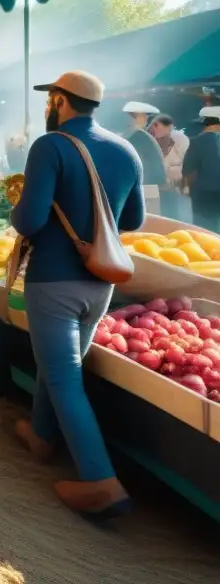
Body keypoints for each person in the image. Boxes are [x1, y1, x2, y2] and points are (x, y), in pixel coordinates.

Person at [11, 71, 144, 519]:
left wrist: (19, 203)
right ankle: (41, 436)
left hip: (53, 281)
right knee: (60, 367)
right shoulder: (126, 150)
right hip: (100, 283)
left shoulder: (50, 147)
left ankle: (101, 482)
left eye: (51, 98)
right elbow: (135, 220)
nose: (48, 105)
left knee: (64, 377)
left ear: (61, 101)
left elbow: (28, 222)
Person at [182, 106, 220, 232]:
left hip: (203, 194)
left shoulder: (197, 141)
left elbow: (187, 169)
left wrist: (188, 188)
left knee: (205, 229)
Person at [151, 114, 190, 220]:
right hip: (158, 190)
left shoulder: (180, 141)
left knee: (178, 217)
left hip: (178, 189)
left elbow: (187, 164)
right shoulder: (149, 141)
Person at [122, 101, 167, 188]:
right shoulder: (142, 137)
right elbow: (155, 164)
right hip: (146, 186)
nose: (146, 120)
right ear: (139, 117)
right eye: (144, 117)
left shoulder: (125, 137)